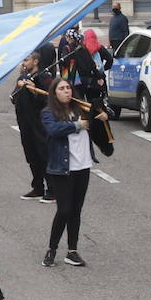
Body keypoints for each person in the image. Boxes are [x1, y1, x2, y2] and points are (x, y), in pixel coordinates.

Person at [40, 77, 105, 268]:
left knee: (76, 210)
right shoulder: (48, 113)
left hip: (83, 166)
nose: (67, 91)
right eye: (62, 88)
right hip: (62, 168)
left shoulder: (81, 108)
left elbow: (99, 123)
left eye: (68, 87)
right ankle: (52, 249)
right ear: (54, 93)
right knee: (64, 210)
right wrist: (78, 125)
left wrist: (101, 118)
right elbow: (53, 130)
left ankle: (72, 251)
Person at [11, 50, 52, 202]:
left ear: (35, 61)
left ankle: (52, 189)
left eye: (26, 60)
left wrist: (35, 89)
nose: (24, 63)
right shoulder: (23, 77)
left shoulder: (44, 77)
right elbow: (15, 96)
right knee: (32, 156)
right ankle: (38, 187)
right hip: (25, 123)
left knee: (44, 155)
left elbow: (50, 98)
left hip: (40, 123)